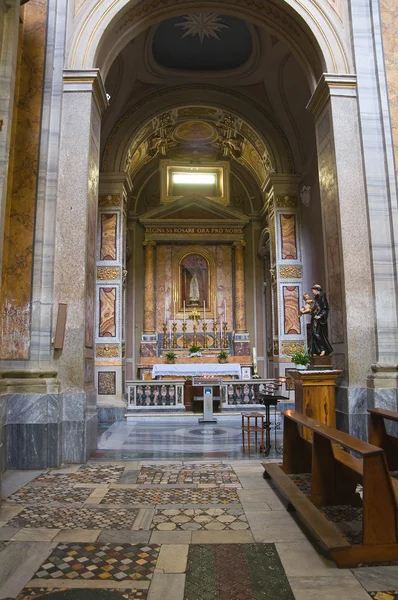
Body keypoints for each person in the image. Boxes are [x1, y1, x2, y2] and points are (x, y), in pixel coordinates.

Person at [310, 284, 333, 356]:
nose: (312, 292)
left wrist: (320, 316)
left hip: (319, 320)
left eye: (313, 290)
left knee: (317, 334)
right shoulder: (316, 298)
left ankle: (323, 349)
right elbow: (314, 309)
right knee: (314, 334)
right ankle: (316, 350)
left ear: (316, 290)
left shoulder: (321, 296)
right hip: (314, 319)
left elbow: (325, 309)